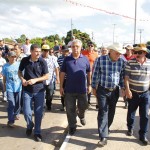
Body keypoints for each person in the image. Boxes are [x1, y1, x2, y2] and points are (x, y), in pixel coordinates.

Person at [92, 43, 126, 147]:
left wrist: (123, 87)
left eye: (120, 53)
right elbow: (95, 74)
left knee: (111, 112)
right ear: (110, 51)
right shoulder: (100, 60)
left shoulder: (121, 62)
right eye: (117, 53)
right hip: (102, 90)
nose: (118, 55)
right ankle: (103, 136)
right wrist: (93, 87)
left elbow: (121, 76)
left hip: (115, 91)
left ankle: (106, 128)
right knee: (103, 111)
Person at [60, 39, 91, 135]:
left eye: (77, 46)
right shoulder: (67, 59)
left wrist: (89, 85)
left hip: (82, 89)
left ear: (81, 47)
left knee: (84, 106)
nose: (75, 48)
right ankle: (72, 126)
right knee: (70, 109)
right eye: (73, 46)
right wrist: (61, 86)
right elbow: (62, 73)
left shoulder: (85, 59)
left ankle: (81, 116)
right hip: (69, 89)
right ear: (71, 48)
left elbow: (89, 72)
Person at [18, 44, 49, 142]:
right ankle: (30, 125)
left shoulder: (42, 61)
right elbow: (19, 72)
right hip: (27, 90)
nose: (38, 53)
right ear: (31, 51)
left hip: (39, 91)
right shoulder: (24, 60)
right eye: (36, 51)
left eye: (39, 51)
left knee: (38, 113)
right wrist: (22, 79)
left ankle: (37, 132)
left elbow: (46, 76)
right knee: (27, 112)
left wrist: (35, 80)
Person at [125, 44, 150, 145]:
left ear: (144, 53)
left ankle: (142, 135)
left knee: (144, 115)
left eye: (140, 52)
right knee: (131, 113)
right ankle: (130, 128)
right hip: (133, 93)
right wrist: (127, 90)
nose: (137, 54)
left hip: (145, 94)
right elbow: (126, 77)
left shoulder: (149, 63)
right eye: (136, 52)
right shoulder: (130, 62)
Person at [2, 51, 22, 126]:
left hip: (18, 87)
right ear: (8, 57)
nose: (13, 58)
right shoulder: (5, 66)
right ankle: (10, 120)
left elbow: (21, 74)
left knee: (18, 103)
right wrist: (4, 85)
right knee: (11, 104)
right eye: (12, 57)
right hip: (9, 88)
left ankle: (16, 114)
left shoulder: (19, 64)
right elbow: (4, 77)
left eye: (14, 57)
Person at [41, 44, 59, 111]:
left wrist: (57, 77)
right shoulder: (39, 59)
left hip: (50, 80)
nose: (46, 52)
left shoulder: (52, 59)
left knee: (50, 94)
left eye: (47, 51)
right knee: (41, 96)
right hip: (41, 81)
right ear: (42, 51)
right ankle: (42, 108)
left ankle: (49, 104)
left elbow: (56, 68)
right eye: (45, 50)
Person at [82, 41, 98, 106]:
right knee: (86, 86)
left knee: (93, 86)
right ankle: (87, 101)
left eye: (91, 46)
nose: (90, 47)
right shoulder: (83, 53)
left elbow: (97, 63)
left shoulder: (96, 54)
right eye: (89, 45)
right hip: (85, 72)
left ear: (93, 47)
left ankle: (96, 102)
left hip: (93, 73)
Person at [122, 45, 135, 109]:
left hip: (132, 76)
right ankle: (125, 102)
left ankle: (129, 101)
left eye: (128, 50)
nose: (127, 51)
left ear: (132, 50)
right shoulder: (122, 56)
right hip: (124, 75)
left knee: (130, 89)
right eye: (126, 49)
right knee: (124, 89)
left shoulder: (134, 57)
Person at [57, 45, 70, 111]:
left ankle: (68, 105)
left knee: (69, 92)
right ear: (61, 51)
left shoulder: (71, 58)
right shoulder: (59, 59)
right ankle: (63, 105)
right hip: (63, 78)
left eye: (67, 51)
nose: (65, 52)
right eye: (64, 51)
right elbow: (58, 69)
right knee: (62, 91)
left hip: (70, 78)